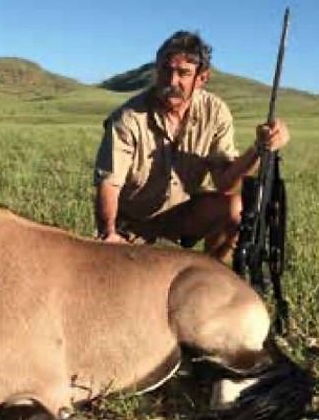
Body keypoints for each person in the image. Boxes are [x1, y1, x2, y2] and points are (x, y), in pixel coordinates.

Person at [94, 30, 290, 262]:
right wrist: (108, 233)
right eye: (165, 70)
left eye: (183, 73)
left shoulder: (215, 112)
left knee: (234, 208)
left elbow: (225, 183)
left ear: (202, 78)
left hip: (183, 214)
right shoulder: (128, 118)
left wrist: (258, 148)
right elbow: (109, 183)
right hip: (133, 221)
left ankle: (212, 273)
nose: (171, 81)